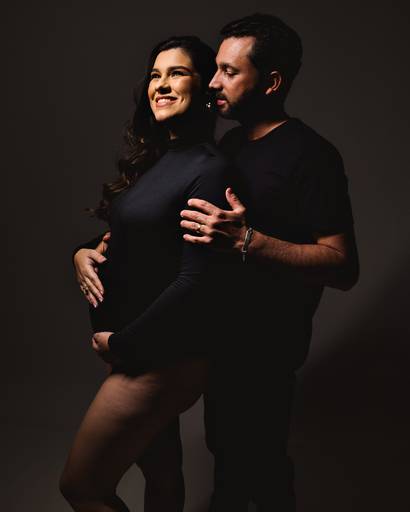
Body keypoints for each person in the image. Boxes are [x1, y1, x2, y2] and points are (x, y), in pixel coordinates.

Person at [73, 13, 360, 512]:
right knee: (220, 476)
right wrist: (86, 248)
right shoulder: (228, 146)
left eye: (229, 71)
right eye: (214, 70)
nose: (212, 82)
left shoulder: (311, 154)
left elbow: (343, 265)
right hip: (214, 339)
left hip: (265, 351)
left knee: (260, 475)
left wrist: (251, 240)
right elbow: (162, 227)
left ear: (271, 82)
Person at [59, 35, 233, 512]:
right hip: (139, 350)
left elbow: (197, 280)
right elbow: (133, 239)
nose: (162, 85)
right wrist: (80, 252)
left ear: (204, 86)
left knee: (82, 487)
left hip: (160, 358)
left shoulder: (209, 169)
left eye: (177, 73)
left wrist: (123, 344)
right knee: (162, 479)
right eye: (155, 75)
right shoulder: (158, 161)